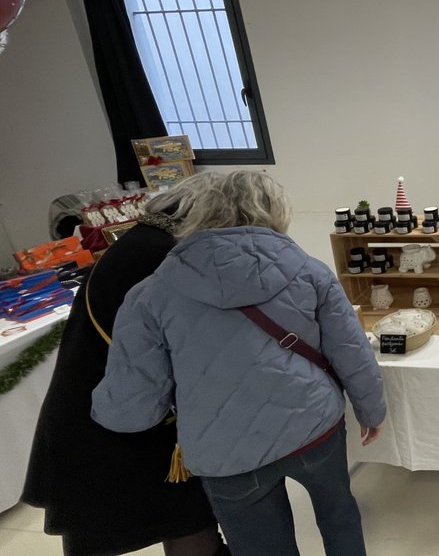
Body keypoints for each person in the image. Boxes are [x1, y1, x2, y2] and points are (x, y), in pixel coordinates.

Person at [91, 171, 386, 556]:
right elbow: (351, 351)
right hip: (313, 423)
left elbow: (133, 402)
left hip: (223, 448)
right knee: (339, 516)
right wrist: (371, 409)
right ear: (275, 209)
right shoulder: (310, 271)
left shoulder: (150, 294)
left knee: (261, 546)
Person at [23, 173, 227, 556]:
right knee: (179, 517)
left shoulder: (141, 240)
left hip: (104, 399)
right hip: (121, 411)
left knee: (155, 518)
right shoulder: (161, 253)